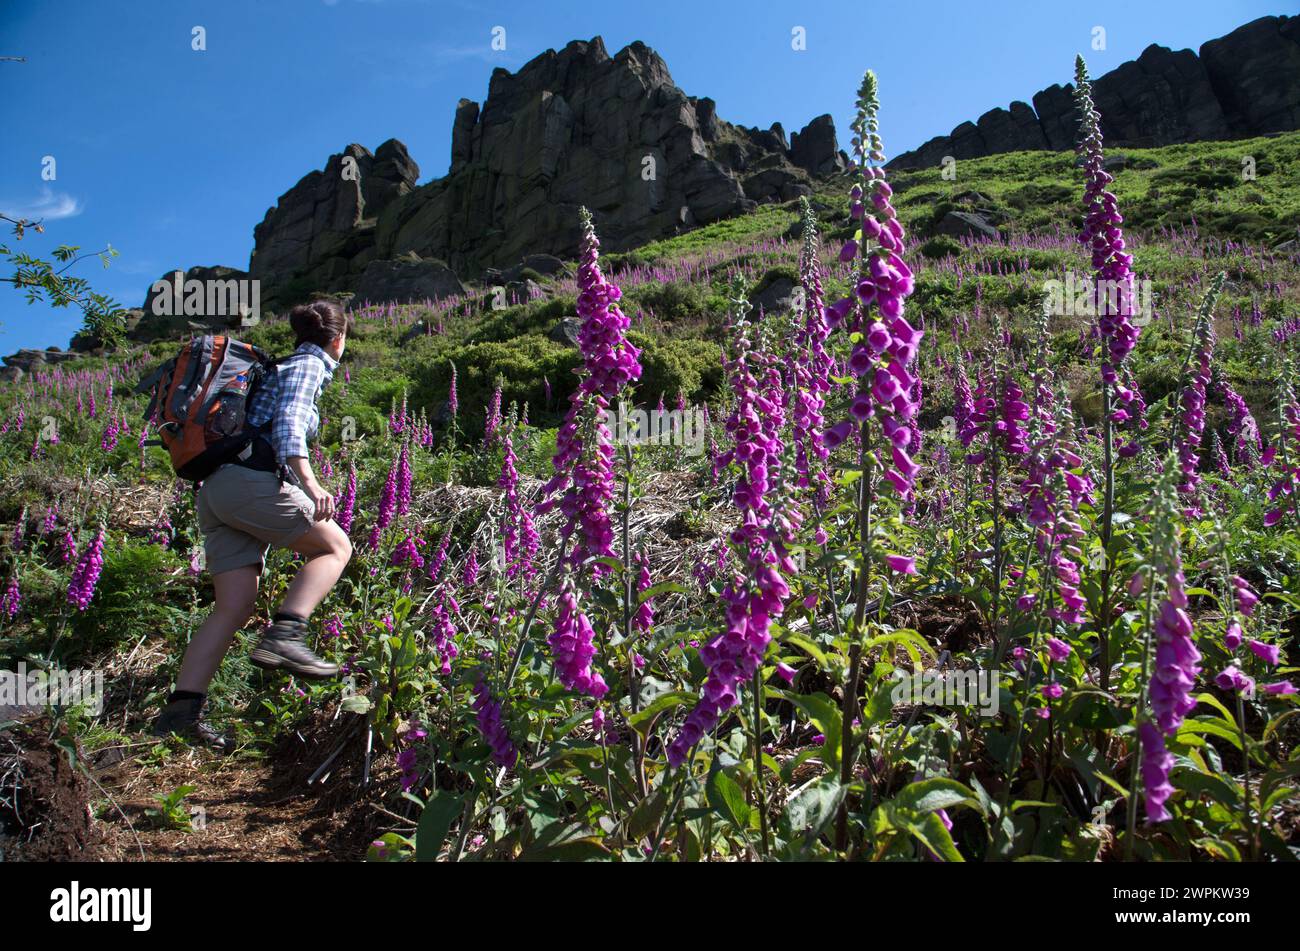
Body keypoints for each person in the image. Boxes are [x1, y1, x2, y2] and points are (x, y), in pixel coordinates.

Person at [152, 300, 354, 751]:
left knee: (233, 606)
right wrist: (311, 482)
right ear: (338, 339)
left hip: (217, 489)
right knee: (334, 547)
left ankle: (179, 714)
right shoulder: (308, 365)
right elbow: (289, 425)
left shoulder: (281, 365)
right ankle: (287, 634)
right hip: (249, 482)